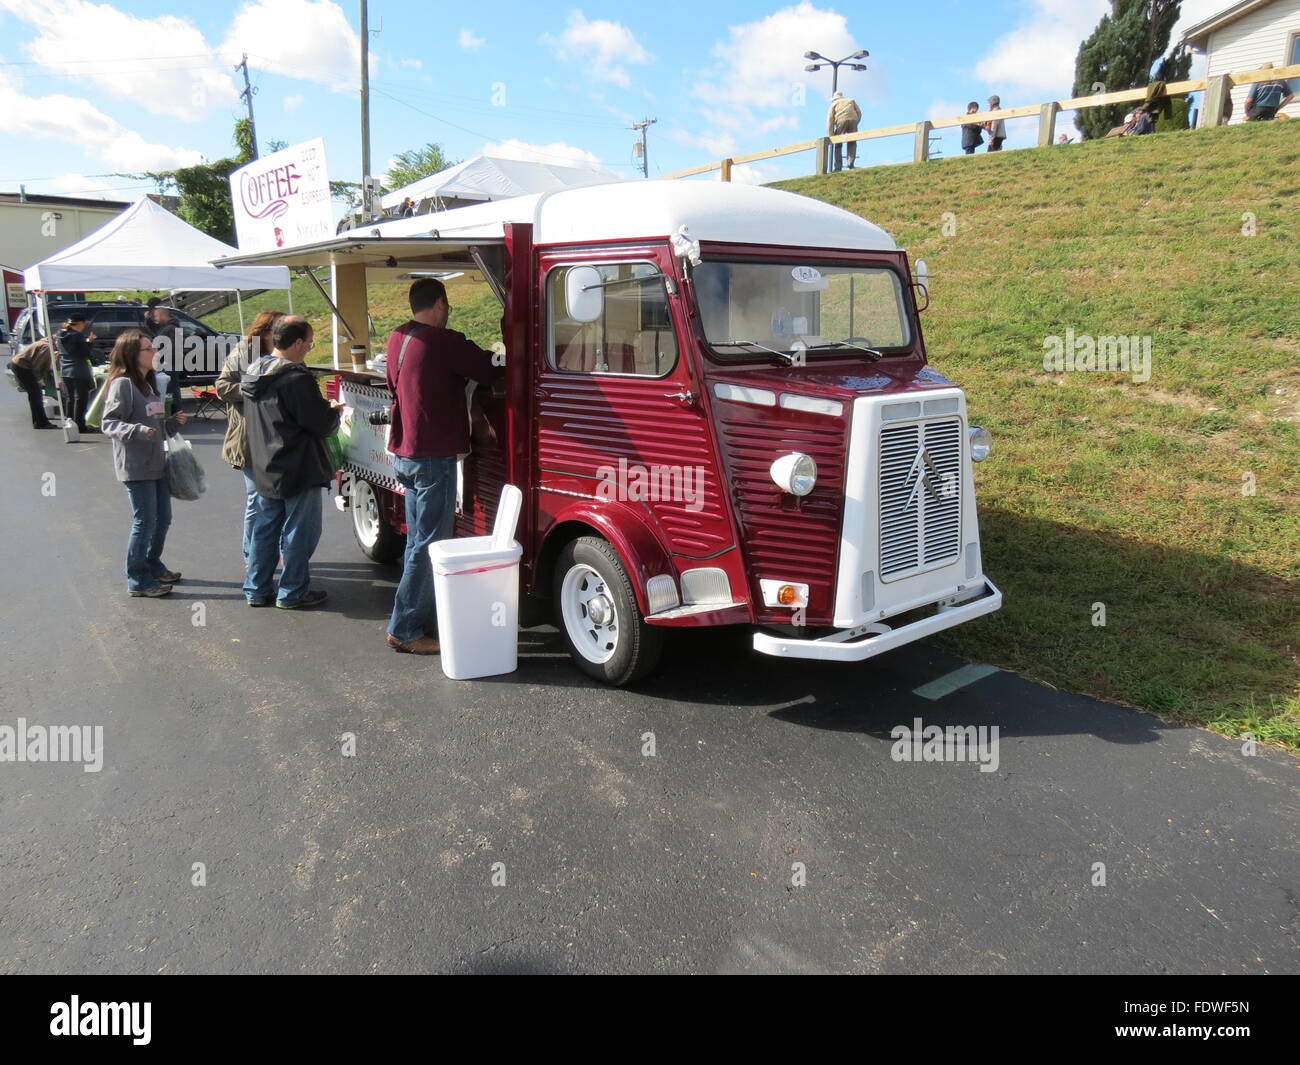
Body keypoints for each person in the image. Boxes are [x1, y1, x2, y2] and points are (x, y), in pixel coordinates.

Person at [383, 278, 499, 654]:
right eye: (446, 307)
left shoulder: (397, 338)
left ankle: (420, 617)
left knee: (417, 541)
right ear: (440, 304)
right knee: (430, 543)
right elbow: (490, 369)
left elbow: (393, 384)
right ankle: (406, 628)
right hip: (433, 456)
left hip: (406, 452)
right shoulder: (444, 341)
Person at [240, 317, 340, 609]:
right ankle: (293, 591)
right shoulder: (296, 378)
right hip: (298, 464)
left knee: (265, 529)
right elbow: (318, 422)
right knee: (299, 531)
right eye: (309, 343)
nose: (309, 348)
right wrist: (333, 412)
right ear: (296, 343)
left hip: (265, 463)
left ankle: (256, 588)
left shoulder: (254, 371)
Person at [101, 331, 188, 598]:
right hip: (136, 465)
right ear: (131, 354)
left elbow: (156, 426)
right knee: (145, 522)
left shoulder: (148, 385)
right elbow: (109, 423)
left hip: (156, 462)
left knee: (163, 519)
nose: (155, 353)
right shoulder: (123, 384)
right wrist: (138, 430)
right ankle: (137, 580)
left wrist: (172, 423)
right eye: (148, 349)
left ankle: (152, 565)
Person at [215, 309, 283, 567]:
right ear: (264, 331)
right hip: (249, 436)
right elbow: (222, 387)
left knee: (275, 498)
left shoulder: (281, 352)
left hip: (274, 436)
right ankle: (251, 555)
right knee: (257, 498)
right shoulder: (245, 352)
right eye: (277, 328)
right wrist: (254, 390)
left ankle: (270, 551)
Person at [57, 314, 97, 433]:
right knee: (81, 399)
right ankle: (80, 425)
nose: (84, 326)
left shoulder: (60, 334)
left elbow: (73, 350)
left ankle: (70, 422)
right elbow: (85, 354)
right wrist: (90, 342)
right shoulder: (77, 336)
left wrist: (86, 342)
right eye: (84, 324)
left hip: (65, 370)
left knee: (70, 398)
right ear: (79, 324)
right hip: (78, 370)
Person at [144, 303, 184, 414]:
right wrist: (148, 320)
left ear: (162, 315)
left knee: (171, 390)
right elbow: (155, 331)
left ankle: (176, 412)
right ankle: (175, 412)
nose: (155, 319)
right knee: (172, 389)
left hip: (169, 363)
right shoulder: (168, 327)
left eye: (156, 316)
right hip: (170, 363)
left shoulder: (170, 329)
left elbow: (171, 347)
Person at [8, 336, 56, 429]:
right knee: (36, 395)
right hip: (22, 367)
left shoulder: (43, 344)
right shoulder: (47, 347)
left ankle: (41, 421)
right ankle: (40, 422)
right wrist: (39, 379)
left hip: (20, 365)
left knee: (35, 395)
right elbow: (37, 366)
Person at [826, 91, 862, 171]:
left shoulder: (834, 104)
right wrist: (856, 122)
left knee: (838, 144)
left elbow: (830, 120)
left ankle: (838, 167)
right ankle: (850, 164)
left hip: (841, 121)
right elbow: (859, 113)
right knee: (852, 142)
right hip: (853, 120)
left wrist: (831, 135)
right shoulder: (851, 101)